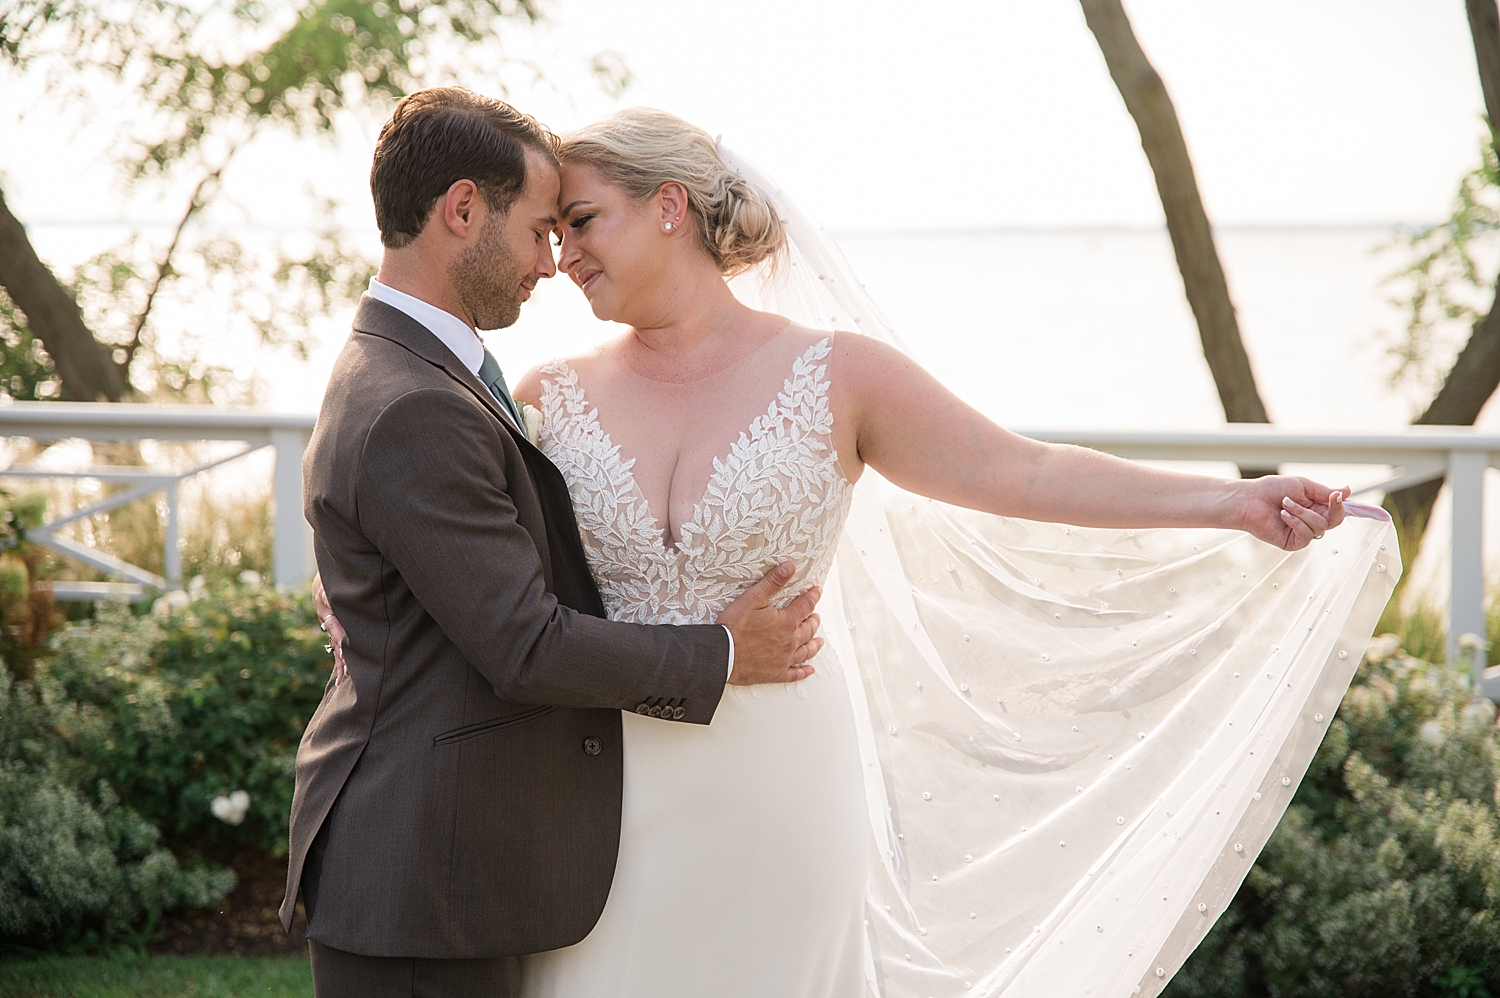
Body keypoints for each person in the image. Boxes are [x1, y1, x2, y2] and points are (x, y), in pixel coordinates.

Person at [504, 108, 1397, 997]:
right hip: (598, 789)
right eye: (551, 233)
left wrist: (1233, 501)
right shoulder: (549, 396)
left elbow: (1025, 472)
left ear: (669, 206)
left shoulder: (839, 375)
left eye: (580, 222)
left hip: (778, 785)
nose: (560, 258)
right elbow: (503, 594)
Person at [281, 88, 828, 998]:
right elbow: (524, 644)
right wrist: (726, 652)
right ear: (462, 211)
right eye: (540, 229)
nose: (552, 262)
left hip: (444, 866)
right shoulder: (416, 399)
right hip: (424, 882)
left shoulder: (420, 370)